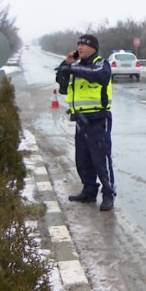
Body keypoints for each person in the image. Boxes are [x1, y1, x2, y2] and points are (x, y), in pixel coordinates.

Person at [55, 34, 116, 211]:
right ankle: (89, 190)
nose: (80, 47)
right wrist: (66, 64)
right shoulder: (77, 66)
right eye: (78, 44)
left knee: (101, 159)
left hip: (98, 119)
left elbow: (97, 75)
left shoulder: (101, 64)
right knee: (83, 159)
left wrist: (72, 69)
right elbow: (62, 83)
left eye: (84, 44)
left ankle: (108, 193)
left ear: (93, 48)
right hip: (81, 120)